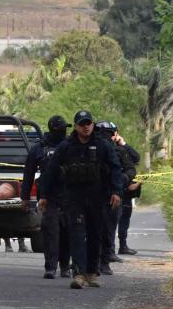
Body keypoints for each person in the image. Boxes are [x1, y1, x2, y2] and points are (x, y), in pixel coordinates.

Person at [41, 110, 123, 290]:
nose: (86, 127)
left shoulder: (103, 145)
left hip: (97, 197)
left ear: (93, 125)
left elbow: (115, 168)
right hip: (74, 197)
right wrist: (44, 196)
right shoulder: (66, 146)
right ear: (76, 126)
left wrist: (116, 192)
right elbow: (51, 171)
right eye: (82, 124)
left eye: (89, 123)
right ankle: (78, 274)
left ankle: (91, 273)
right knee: (76, 234)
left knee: (95, 235)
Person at [21, 114, 71, 279]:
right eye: (62, 129)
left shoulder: (71, 145)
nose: (64, 131)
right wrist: (25, 198)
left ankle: (65, 266)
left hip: (69, 196)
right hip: (48, 197)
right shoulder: (39, 148)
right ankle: (50, 267)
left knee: (67, 232)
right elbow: (28, 173)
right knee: (50, 232)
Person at [95, 121, 137, 275]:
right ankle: (86, 262)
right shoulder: (85, 147)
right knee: (88, 230)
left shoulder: (118, 150)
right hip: (89, 195)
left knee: (107, 230)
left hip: (111, 195)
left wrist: (121, 180)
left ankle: (104, 261)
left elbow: (131, 169)